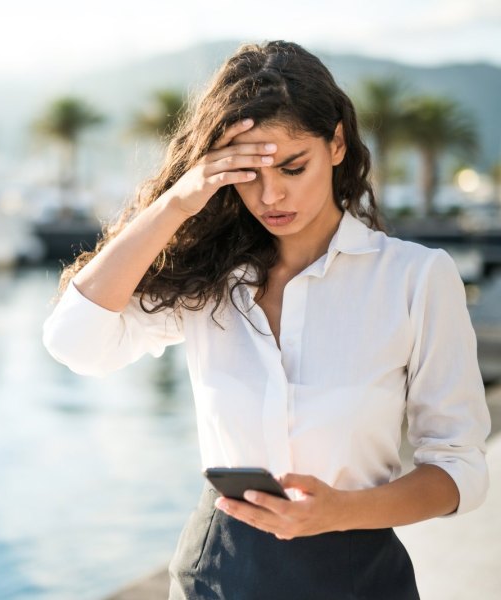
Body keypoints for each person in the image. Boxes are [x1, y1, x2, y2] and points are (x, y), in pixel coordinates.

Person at [41, 40, 491, 599]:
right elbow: (73, 342)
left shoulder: (414, 278)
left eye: (291, 166)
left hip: (357, 576)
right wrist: (174, 205)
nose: (270, 194)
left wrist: (340, 512)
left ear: (337, 145)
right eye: (247, 172)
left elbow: (461, 472)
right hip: (217, 575)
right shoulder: (208, 282)